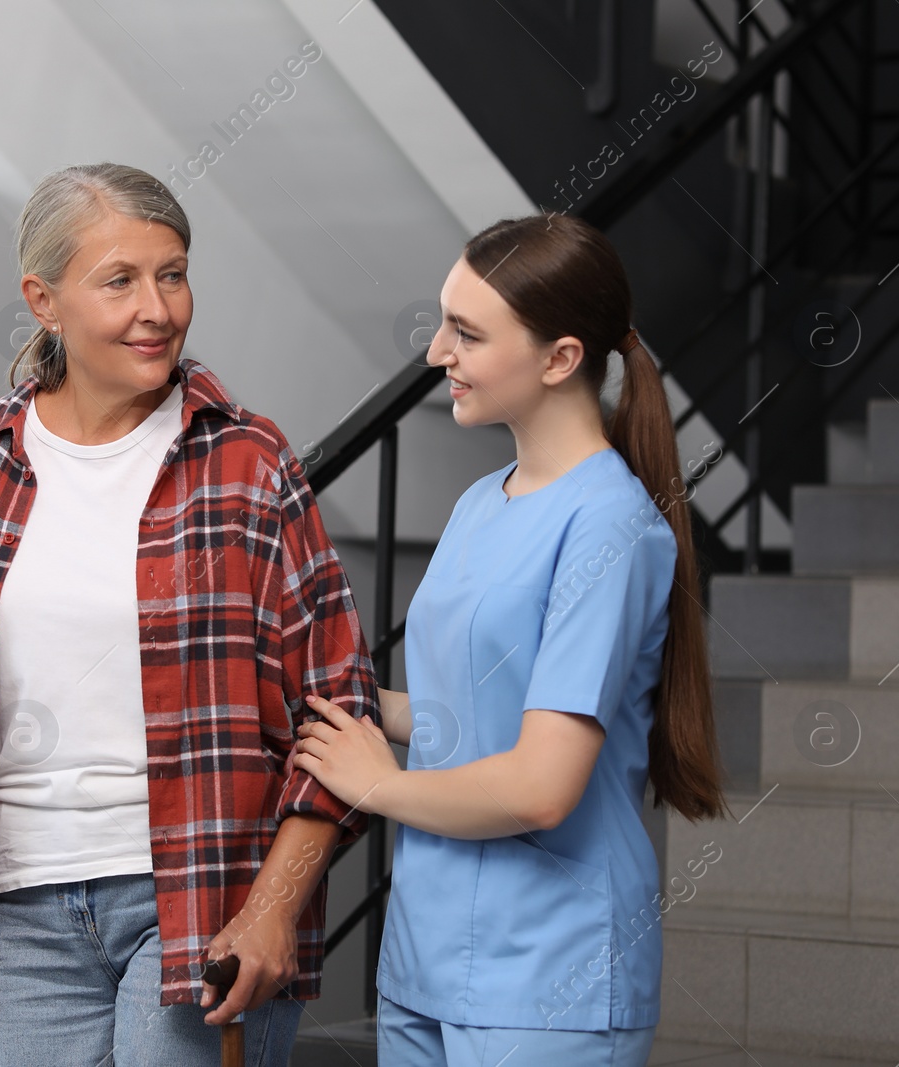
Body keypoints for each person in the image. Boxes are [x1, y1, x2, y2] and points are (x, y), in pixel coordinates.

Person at [0, 162, 380, 1066]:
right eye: (119, 280)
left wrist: (274, 905)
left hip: (200, 897)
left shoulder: (246, 458)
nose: (158, 308)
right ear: (43, 299)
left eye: (173, 272)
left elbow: (337, 703)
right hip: (20, 905)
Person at [292, 214, 726, 1067]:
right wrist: (355, 704)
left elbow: (540, 785)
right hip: (424, 958)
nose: (435, 353)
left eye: (467, 332)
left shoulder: (614, 528)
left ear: (560, 358)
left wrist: (376, 784)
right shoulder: (480, 503)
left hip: (548, 977)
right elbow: (472, 714)